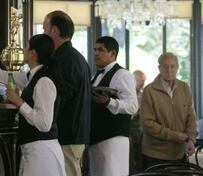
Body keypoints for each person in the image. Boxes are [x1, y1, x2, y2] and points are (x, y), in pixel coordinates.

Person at [0, 34, 66, 176]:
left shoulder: (44, 81)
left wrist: (19, 102)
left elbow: (44, 124)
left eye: (26, 47)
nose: (23, 50)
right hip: (34, 150)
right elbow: (2, 74)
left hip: (43, 151)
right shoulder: (31, 77)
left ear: (33, 53)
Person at [42, 10, 91, 176]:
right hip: (71, 132)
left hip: (69, 133)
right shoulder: (72, 56)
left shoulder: (67, 59)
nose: (43, 34)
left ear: (54, 31)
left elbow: (62, 96)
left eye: (44, 29)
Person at [89, 36, 138, 176]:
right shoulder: (96, 76)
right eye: (95, 50)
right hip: (97, 139)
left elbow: (133, 106)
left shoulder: (122, 74)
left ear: (112, 53)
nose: (96, 53)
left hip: (113, 140)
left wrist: (108, 102)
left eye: (101, 50)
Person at [140, 52, 197, 170]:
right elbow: (147, 124)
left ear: (177, 68)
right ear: (159, 68)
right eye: (165, 66)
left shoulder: (185, 88)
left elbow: (191, 117)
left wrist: (191, 139)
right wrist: (174, 135)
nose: (169, 70)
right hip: (155, 154)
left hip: (180, 154)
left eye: (172, 66)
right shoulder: (149, 91)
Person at [130, 70, 146, 173]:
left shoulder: (144, 95)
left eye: (144, 81)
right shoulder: (128, 93)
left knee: (141, 155)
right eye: (140, 81)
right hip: (128, 129)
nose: (142, 84)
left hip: (141, 129)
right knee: (130, 155)